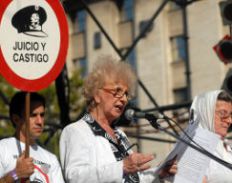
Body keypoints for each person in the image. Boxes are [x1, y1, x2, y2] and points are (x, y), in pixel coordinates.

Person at [60, 55, 177, 183]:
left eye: (126, 94)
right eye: (117, 91)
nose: (124, 99)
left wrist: (158, 174)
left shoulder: (119, 134)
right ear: (96, 94)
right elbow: (75, 177)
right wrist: (122, 167)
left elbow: (132, 178)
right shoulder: (76, 131)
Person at [0, 92, 65, 183]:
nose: (39, 121)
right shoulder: (2, 148)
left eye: (42, 115)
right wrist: (16, 173)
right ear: (16, 119)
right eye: (33, 115)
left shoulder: (51, 159)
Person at [189, 90, 232, 183]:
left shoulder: (229, 146)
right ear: (205, 113)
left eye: (230, 115)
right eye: (223, 114)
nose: (229, 121)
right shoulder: (193, 150)